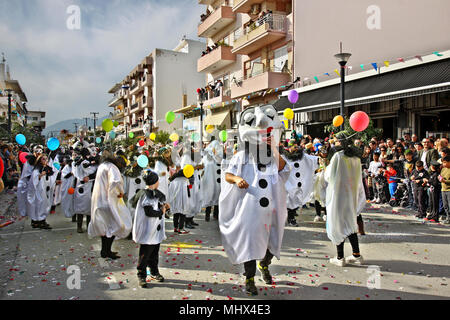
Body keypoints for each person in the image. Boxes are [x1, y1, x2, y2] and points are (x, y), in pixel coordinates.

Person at [219, 104, 290, 296]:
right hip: (250, 210)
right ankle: (249, 279)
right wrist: (237, 179)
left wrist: (274, 149)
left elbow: (285, 170)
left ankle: (264, 264)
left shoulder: (273, 154)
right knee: (250, 244)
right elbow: (228, 175)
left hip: (272, 210)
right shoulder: (242, 155)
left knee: (272, 243)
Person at [325, 134, 366, 267]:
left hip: (338, 195)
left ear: (341, 143)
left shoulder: (338, 156)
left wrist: (325, 168)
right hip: (351, 194)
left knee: (337, 224)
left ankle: (340, 257)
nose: (334, 144)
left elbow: (329, 176)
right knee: (350, 223)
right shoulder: (356, 158)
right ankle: (356, 255)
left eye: (336, 141)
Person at [88, 151, 132, 259]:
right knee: (115, 226)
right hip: (109, 201)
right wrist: (120, 192)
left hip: (99, 200)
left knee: (106, 228)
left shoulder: (102, 166)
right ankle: (106, 251)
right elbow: (115, 181)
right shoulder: (112, 167)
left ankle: (105, 251)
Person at [130, 170, 169, 288]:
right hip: (148, 229)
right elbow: (149, 212)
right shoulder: (145, 195)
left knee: (154, 253)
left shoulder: (155, 193)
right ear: (155, 182)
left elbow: (157, 206)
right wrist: (161, 211)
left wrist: (165, 207)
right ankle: (141, 275)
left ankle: (154, 271)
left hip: (155, 230)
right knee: (145, 254)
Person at [439, 155, 450, 224]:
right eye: (443, 162)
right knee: (445, 205)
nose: (444, 164)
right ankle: (448, 218)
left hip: (449, 190)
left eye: (445, 162)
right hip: (443, 189)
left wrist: (445, 181)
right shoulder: (443, 169)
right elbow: (441, 175)